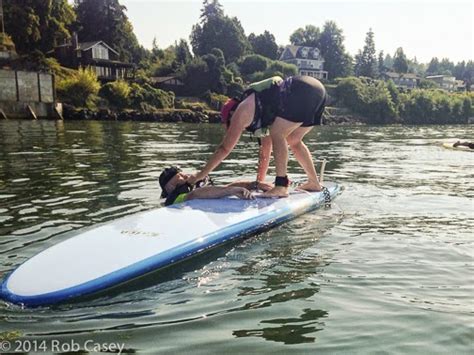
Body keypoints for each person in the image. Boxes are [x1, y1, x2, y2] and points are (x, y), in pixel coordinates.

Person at [186, 75, 327, 198]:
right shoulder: (262, 113)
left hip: (302, 89)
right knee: (293, 141)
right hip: (318, 91)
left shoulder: (241, 111)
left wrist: (199, 175)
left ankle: (281, 186)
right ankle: (314, 182)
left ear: (230, 114)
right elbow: (265, 153)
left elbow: (224, 148)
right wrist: (259, 183)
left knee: (278, 134)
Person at [159, 166, 259, 206]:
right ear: (169, 188)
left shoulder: (187, 190)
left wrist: (253, 185)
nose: (185, 175)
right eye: (180, 176)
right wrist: (231, 191)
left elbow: (223, 187)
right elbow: (195, 194)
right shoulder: (174, 200)